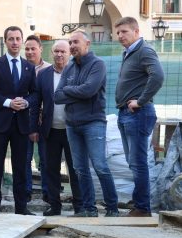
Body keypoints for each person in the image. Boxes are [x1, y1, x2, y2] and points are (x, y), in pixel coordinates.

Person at [54, 30, 119, 217]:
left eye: (76, 42)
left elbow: (89, 90)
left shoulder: (98, 64)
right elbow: (57, 96)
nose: (72, 46)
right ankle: (89, 209)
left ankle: (112, 208)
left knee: (99, 165)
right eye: (70, 42)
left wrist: (68, 90)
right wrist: (75, 92)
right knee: (80, 169)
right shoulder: (69, 67)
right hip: (72, 125)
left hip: (93, 123)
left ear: (87, 43)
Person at [0, 26, 38, 215]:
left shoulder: (29, 67)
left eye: (17, 39)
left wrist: (26, 102)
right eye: (11, 39)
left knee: (21, 166)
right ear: (5, 42)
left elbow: (35, 93)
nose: (15, 42)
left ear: (21, 41)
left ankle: (21, 208)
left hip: (21, 124)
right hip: (0, 123)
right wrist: (7, 102)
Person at [114, 16, 164, 217]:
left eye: (124, 31)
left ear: (136, 32)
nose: (120, 36)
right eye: (118, 32)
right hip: (126, 114)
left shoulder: (144, 50)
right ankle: (139, 202)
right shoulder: (128, 53)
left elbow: (158, 76)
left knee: (138, 161)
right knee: (133, 161)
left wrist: (141, 101)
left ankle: (143, 208)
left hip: (138, 113)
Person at [31, 40, 83, 216]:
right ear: (51, 53)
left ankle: (79, 205)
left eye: (63, 51)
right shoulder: (44, 75)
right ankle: (55, 205)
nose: (59, 55)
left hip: (72, 130)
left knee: (75, 169)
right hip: (50, 130)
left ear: (69, 53)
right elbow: (36, 104)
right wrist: (34, 128)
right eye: (56, 51)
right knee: (51, 169)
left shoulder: (77, 72)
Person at [24, 35, 51, 203]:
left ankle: (47, 192)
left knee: (46, 158)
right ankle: (26, 191)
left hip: (45, 121)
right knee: (24, 159)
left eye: (33, 48)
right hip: (24, 121)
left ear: (41, 48)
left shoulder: (49, 69)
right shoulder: (20, 68)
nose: (29, 52)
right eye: (27, 49)